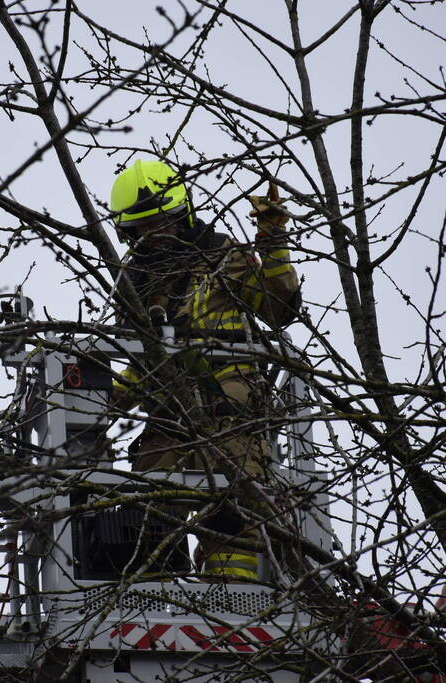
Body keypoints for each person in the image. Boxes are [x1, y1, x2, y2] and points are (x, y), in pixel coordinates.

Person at [107, 158, 302, 581]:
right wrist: (104, 403)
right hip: (168, 419)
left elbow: (279, 307)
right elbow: (144, 363)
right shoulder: (133, 281)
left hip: (232, 419)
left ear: (184, 213)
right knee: (146, 521)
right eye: (143, 229)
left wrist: (272, 240)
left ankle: (238, 611)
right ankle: (151, 603)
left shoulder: (222, 256)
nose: (155, 235)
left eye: (164, 223)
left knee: (232, 524)